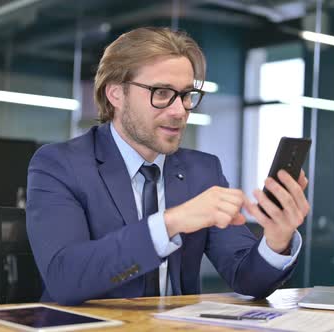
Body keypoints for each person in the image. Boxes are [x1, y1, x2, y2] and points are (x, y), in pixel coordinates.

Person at [26, 27, 310, 305]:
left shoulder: (204, 171)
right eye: (161, 93)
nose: (179, 111)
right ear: (115, 94)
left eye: (186, 95)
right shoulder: (60, 164)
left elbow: (248, 279)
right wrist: (170, 223)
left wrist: (276, 239)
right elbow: (64, 278)